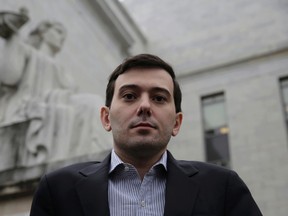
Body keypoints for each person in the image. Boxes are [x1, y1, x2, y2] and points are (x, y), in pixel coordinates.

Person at [30, 54, 263, 215]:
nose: (144, 106)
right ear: (106, 117)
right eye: (130, 96)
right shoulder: (57, 190)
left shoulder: (223, 188)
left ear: (177, 122)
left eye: (159, 98)